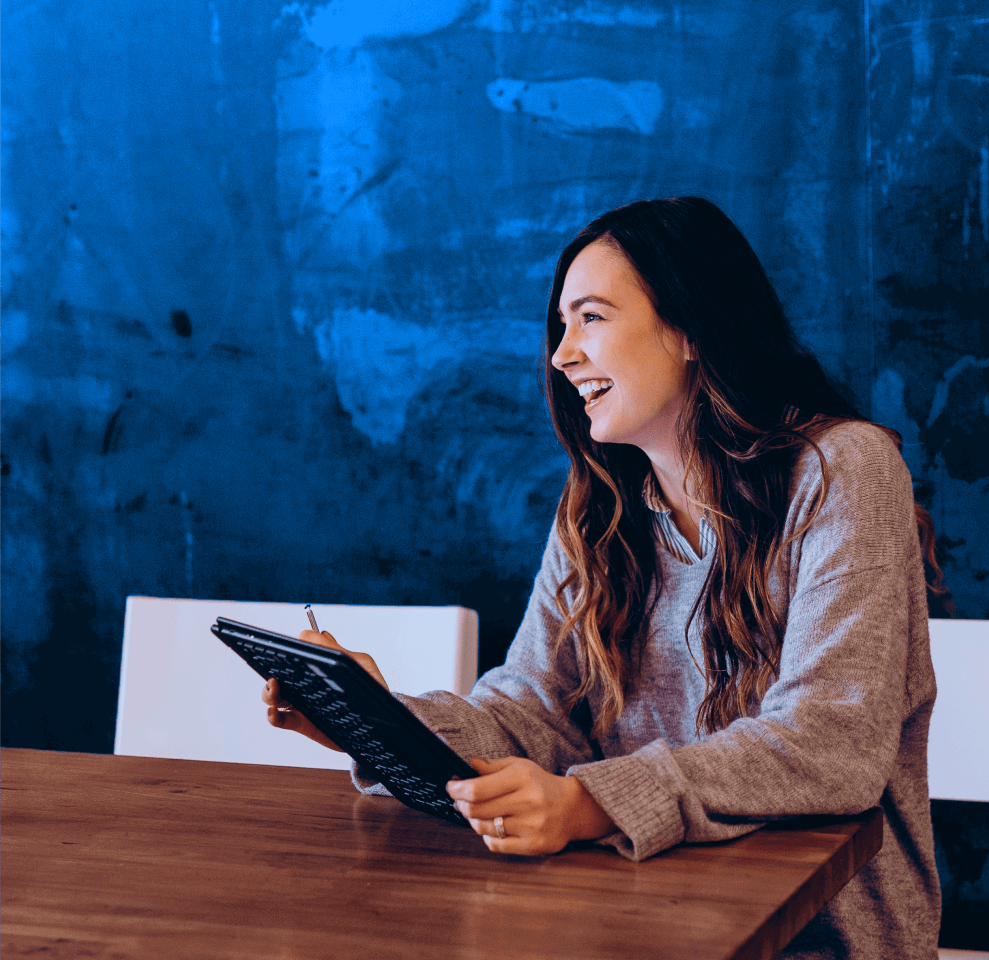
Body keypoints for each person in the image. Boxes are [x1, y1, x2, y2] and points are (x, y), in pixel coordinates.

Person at [264, 197, 945, 959]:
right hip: (630, 922)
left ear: (690, 328)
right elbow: (531, 713)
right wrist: (380, 722)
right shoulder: (597, 508)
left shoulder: (842, 470)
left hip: (813, 940)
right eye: (561, 325)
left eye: (590, 317)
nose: (561, 354)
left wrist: (589, 803)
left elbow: (830, 744)